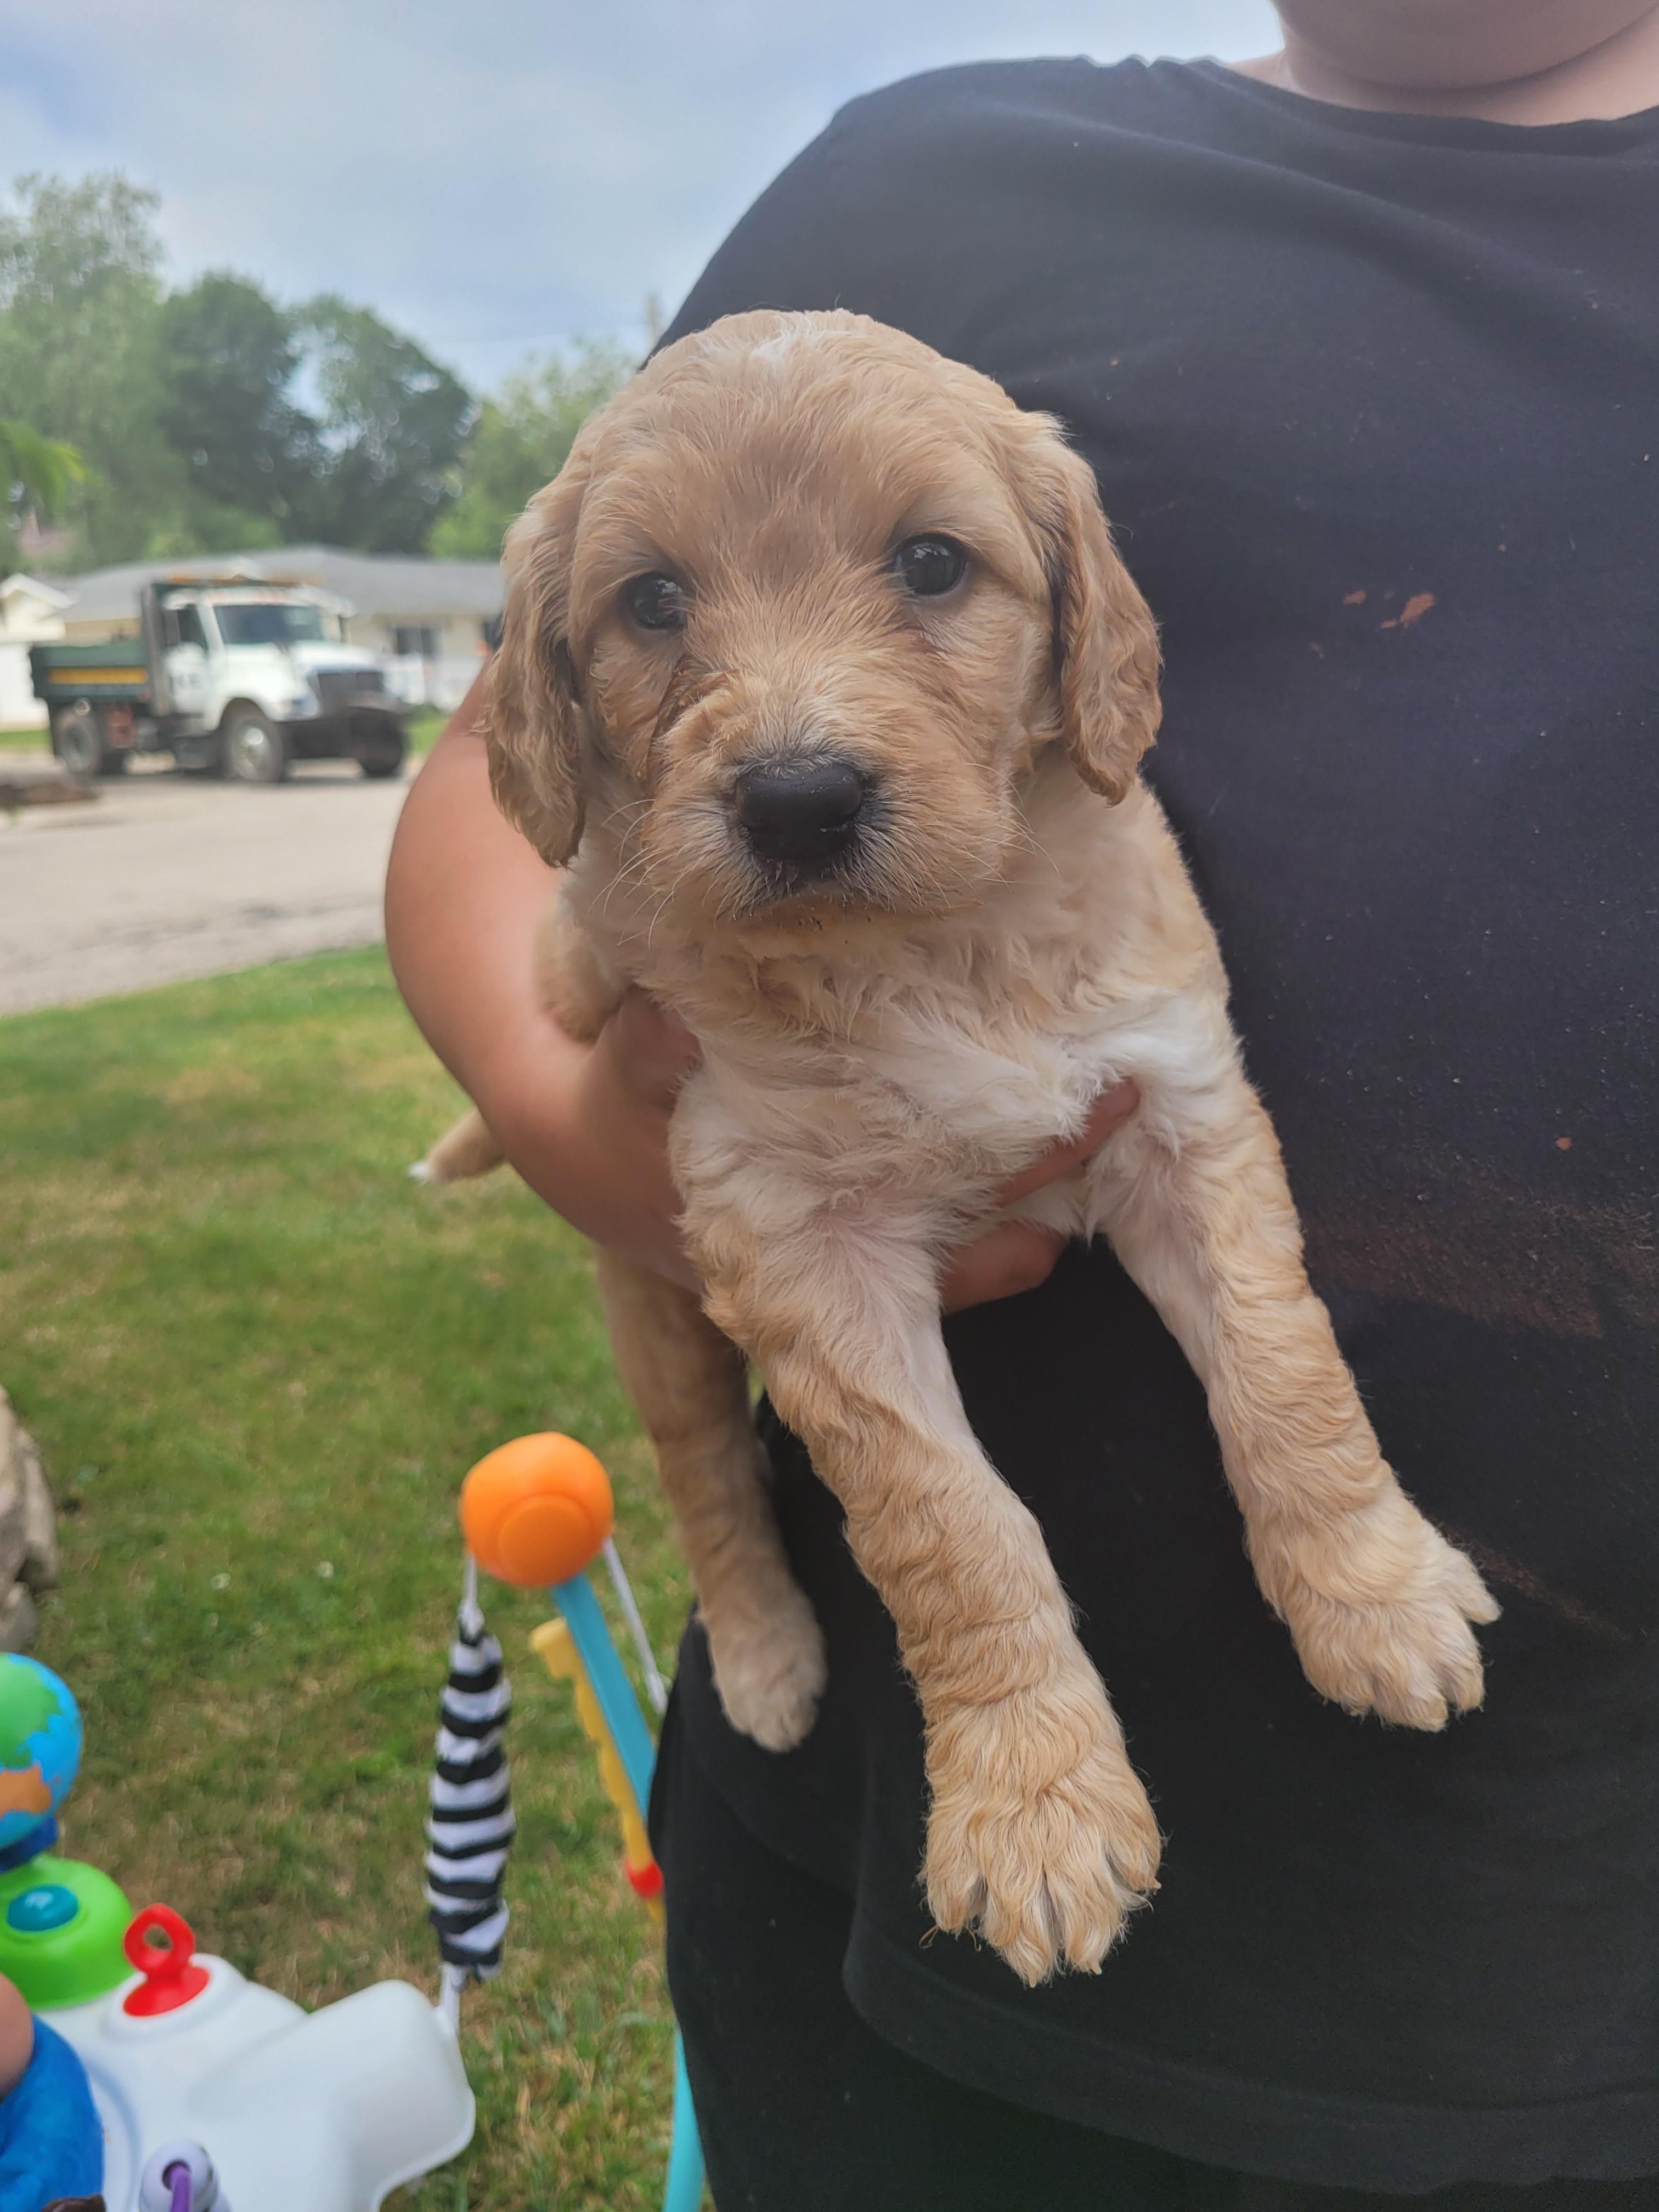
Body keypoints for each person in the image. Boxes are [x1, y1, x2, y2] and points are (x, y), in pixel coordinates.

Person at [385, 5, 1659, 2203]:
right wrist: (569, 1098)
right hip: (894, 1922)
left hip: (1582, 1913)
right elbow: (495, 808)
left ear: (1086, 630)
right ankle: (816, 1607)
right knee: (689, 1360)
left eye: (928, 572)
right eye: (662, 604)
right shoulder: (931, 176)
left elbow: (1187, 1152)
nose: (796, 732)